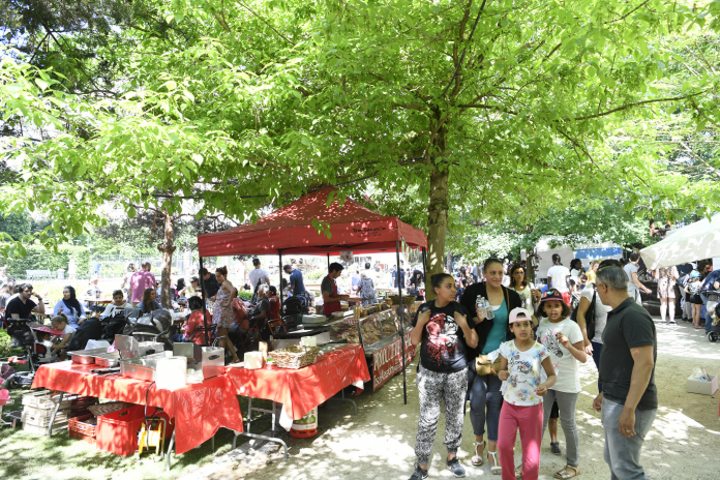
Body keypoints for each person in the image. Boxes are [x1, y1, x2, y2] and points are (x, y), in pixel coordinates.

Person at [408, 273, 478, 480]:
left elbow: (473, 342)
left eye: (454, 286)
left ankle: (452, 457)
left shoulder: (460, 310)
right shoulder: (424, 309)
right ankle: (421, 465)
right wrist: (421, 322)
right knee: (427, 419)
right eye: (449, 286)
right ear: (437, 289)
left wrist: (463, 324)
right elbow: (413, 341)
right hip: (429, 373)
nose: (454, 289)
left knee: (455, 416)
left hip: (456, 372)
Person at [593, 262, 657, 480]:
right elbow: (622, 362)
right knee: (615, 463)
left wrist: (629, 408)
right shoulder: (622, 313)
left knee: (627, 470)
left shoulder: (633, 315)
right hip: (617, 399)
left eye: (596, 287)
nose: (596, 292)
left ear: (603, 287)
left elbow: (644, 363)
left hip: (629, 403)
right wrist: (605, 392)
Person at [459, 258, 522, 473]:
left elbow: (518, 326)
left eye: (500, 272)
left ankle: (492, 451)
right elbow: (462, 325)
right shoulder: (472, 293)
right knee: (477, 400)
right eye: (492, 272)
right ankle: (479, 443)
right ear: (484, 273)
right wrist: (476, 320)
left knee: (495, 401)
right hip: (479, 356)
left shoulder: (512, 296)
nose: (497, 276)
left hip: (501, 358)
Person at [496, 307, 556, 480]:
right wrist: (501, 373)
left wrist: (545, 385)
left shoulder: (540, 350)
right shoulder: (506, 348)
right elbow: (501, 370)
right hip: (509, 405)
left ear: (532, 326)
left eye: (526, 324)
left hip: (532, 407)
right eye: (518, 325)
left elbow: (552, 375)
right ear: (511, 328)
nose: (522, 328)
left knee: (531, 453)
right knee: (504, 446)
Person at [536, 289, 587, 479]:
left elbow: (583, 357)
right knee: (539, 422)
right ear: (544, 308)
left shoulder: (571, 326)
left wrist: (568, 345)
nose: (553, 309)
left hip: (567, 382)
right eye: (548, 306)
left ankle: (573, 465)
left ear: (563, 307)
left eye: (556, 305)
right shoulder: (542, 325)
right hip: (546, 381)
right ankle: (530, 462)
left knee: (568, 423)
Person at [575, 273, 612, 393]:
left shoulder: (617, 291)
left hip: (616, 341)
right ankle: (604, 402)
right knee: (605, 375)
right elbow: (580, 314)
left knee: (614, 374)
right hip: (598, 341)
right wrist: (586, 341)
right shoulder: (591, 291)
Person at [212, 266, 240, 363]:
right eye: (216, 276)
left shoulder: (225, 283)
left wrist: (228, 302)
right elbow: (230, 292)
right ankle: (235, 356)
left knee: (222, 337)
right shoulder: (225, 283)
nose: (217, 278)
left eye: (219, 276)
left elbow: (233, 290)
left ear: (224, 275)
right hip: (222, 313)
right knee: (224, 336)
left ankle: (219, 360)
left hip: (223, 314)